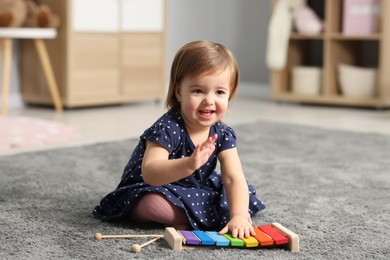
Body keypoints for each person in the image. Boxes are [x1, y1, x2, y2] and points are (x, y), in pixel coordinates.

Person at [93, 40, 265, 238]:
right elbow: (151, 173)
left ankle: (193, 217)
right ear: (178, 92)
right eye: (198, 91)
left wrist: (240, 216)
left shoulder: (223, 133)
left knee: (242, 193)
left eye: (219, 92)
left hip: (193, 188)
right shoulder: (167, 128)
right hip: (153, 187)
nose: (209, 100)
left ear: (230, 94)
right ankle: (192, 218)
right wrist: (189, 164)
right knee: (152, 204)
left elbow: (233, 177)